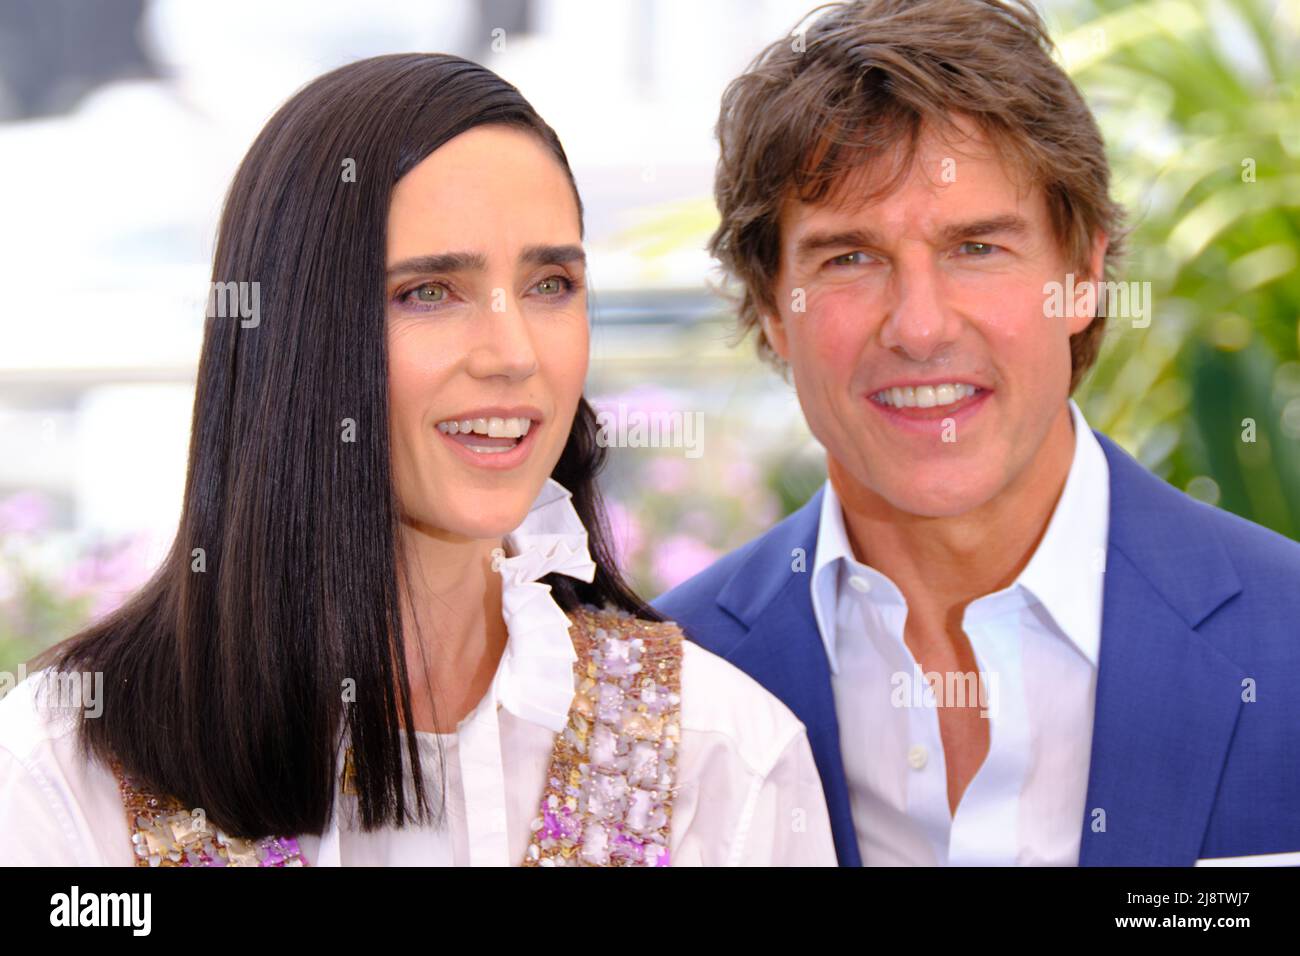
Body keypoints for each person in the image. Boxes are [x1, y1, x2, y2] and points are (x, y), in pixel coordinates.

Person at [0, 53, 836, 867]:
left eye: (550, 284)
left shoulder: (721, 756)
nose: (513, 354)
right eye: (429, 292)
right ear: (293, 334)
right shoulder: (61, 770)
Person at [655, 0, 1300, 866]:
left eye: (977, 248)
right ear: (773, 307)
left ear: (1082, 276)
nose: (919, 327)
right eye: (850, 257)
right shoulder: (662, 687)